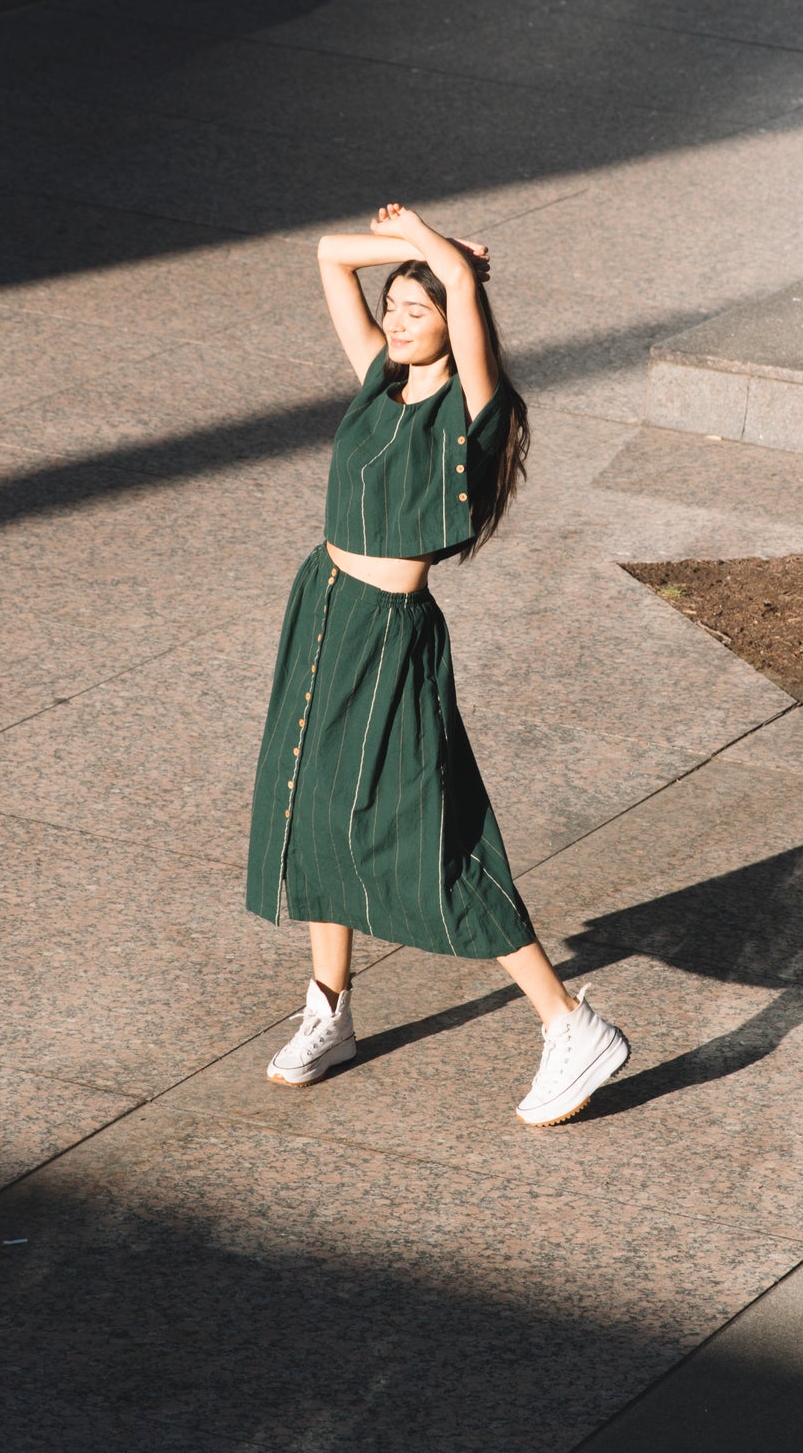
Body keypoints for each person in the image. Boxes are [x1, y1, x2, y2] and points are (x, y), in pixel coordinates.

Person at [246, 202, 629, 1127]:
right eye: (395, 312)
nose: (398, 323)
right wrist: (414, 252)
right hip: (321, 610)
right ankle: (329, 1013)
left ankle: (570, 1022)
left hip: (386, 634)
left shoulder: (473, 412)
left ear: (454, 329)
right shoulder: (378, 382)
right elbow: (330, 255)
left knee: (427, 829)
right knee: (308, 801)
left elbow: (458, 291)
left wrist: (443, 255)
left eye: (416, 313)